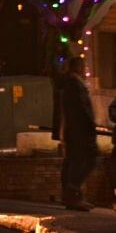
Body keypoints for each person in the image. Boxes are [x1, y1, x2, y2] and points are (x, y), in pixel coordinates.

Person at [60, 56, 98, 211]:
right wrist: (91, 126)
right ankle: (73, 191)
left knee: (74, 161)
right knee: (87, 160)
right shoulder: (75, 85)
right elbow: (82, 109)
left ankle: (72, 195)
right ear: (78, 67)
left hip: (74, 131)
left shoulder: (70, 84)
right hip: (80, 131)